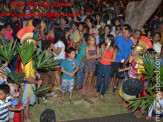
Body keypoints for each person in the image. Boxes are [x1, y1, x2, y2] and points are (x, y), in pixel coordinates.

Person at [95, 35, 117, 101]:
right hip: (101, 65)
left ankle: (102, 94)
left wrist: (106, 59)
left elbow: (113, 60)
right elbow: (102, 56)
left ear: (110, 41)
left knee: (106, 82)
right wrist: (105, 49)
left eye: (106, 39)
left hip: (108, 67)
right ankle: (98, 91)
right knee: (99, 81)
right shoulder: (103, 46)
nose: (105, 40)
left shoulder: (114, 48)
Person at [112, 27, 134, 93]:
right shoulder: (118, 38)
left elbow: (130, 55)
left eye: (125, 32)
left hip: (122, 61)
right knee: (111, 73)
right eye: (123, 32)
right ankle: (108, 84)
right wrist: (115, 48)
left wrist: (125, 63)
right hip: (113, 59)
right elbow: (112, 43)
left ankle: (115, 86)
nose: (123, 33)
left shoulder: (131, 43)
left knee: (119, 74)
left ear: (129, 34)